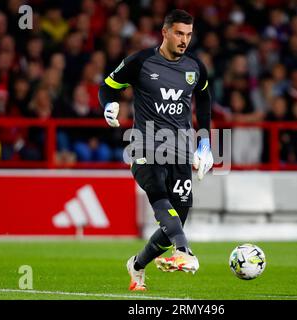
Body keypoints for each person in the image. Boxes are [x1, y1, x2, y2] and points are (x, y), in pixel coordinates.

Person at [99, 9, 213, 291]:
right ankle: (184, 250)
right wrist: (108, 104)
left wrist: (205, 143)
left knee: (178, 215)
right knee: (160, 196)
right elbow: (108, 87)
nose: (184, 40)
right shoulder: (140, 61)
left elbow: (205, 101)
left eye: (188, 34)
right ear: (164, 32)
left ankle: (137, 264)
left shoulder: (195, 68)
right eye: (178, 33)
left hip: (181, 151)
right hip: (144, 146)